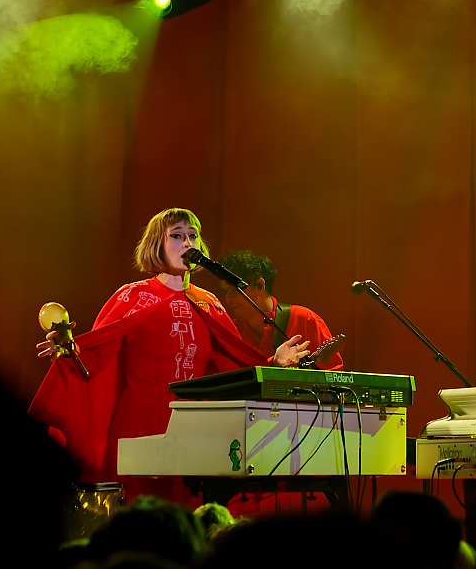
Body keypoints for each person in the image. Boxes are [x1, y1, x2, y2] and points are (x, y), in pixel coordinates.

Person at [28, 209, 313, 495]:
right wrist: (69, 348)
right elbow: (94, 358)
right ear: (157, 245)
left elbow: (233, 370)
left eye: (193, 236)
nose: (187, 242)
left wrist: (273, 362)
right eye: (176, 235)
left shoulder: (209, 303)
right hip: (140, 424)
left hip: (193, 429)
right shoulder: (132, 296)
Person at [214, 250, 343, 370]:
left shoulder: (304, 319)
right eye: (225, 292)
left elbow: (334, 376)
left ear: (259, 285)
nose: (228, 298)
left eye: (233, 290)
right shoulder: (231, 332)